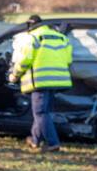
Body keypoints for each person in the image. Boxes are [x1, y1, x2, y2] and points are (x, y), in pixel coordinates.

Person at [9, 14, 73, 151]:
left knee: (40, 113)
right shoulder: (61, 37)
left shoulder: (32, 38)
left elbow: (25, 60)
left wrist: (14, 75)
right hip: (58, 80)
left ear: (29, 25)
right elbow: (68, 59)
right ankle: (35, 140)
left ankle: (53, 143)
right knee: (44, 113)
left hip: (41, 81)